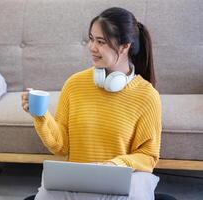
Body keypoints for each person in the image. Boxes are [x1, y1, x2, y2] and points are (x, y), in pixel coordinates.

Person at [21, 7, 164, 200]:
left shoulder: (147, 95)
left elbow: (148, 156)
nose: (91, 47)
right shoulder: (74, 84)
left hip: (121, 184)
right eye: (91, 39)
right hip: (77, 183)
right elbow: (61, 146)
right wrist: (41, 116)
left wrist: (116, 165)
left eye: (101, 42)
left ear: (125, 46)